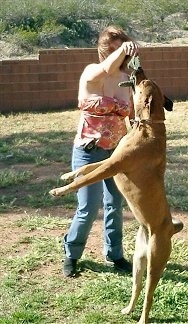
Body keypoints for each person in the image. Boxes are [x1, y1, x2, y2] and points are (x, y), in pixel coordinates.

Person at [63, 26, 139, 277]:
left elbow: (133, 117)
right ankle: (72, 254)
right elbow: (106, 68)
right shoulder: (91, 72)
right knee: (88, 208)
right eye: (114, 49)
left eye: (122, 48)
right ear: (104, 50)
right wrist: (120, 54)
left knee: (114, 205)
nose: (119, 55)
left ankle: (115, 255)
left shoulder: (126, 79)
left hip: (116, 153)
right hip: (88, 151)